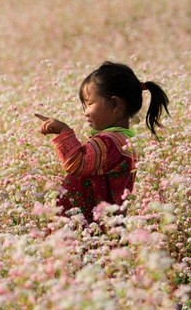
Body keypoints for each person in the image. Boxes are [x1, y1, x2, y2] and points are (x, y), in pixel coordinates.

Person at [35, 61, 170, 223]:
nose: (85, 112)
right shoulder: (123, 140)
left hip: (87, 226)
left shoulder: (108, 143)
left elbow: (77, 165)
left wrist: (64, 132)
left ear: (115, 105)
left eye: (89, 104)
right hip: (99, 225)